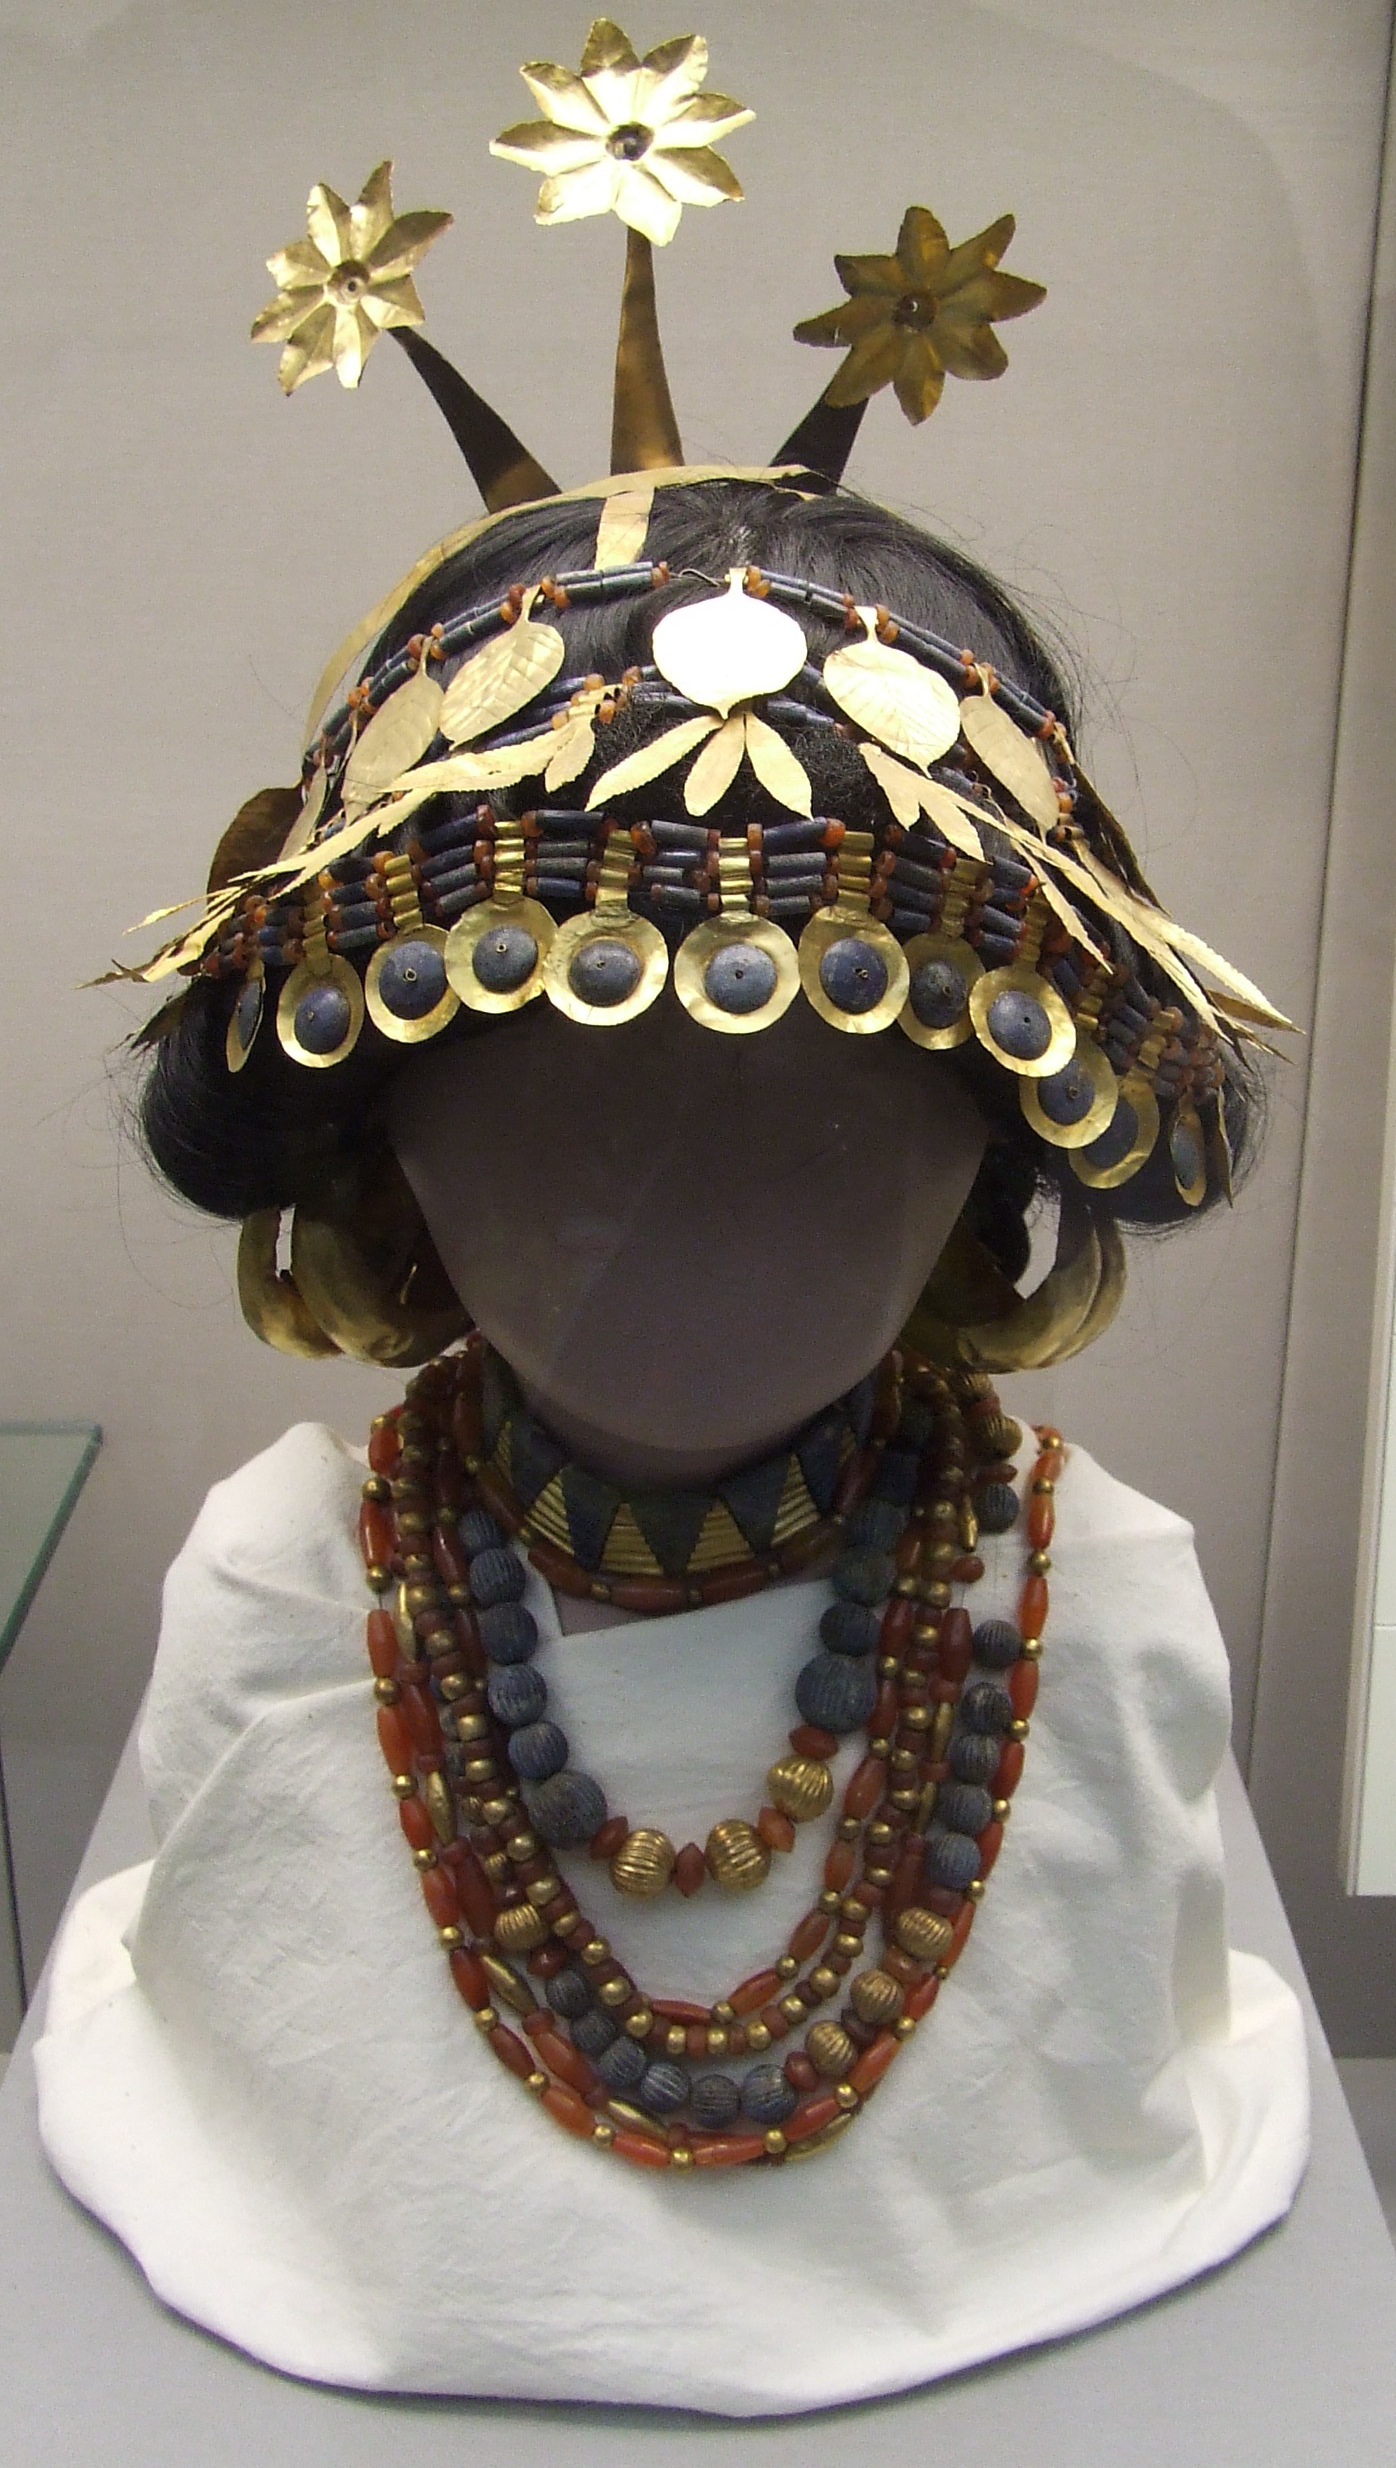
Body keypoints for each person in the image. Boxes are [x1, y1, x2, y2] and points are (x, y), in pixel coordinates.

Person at [35, 22, 1308, 2411]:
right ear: (373, 1120)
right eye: (544, 1054)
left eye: (837, 1060)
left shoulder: (1096, 1610)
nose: (680, 1197)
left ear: (999, 1142)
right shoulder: (275, 1597)